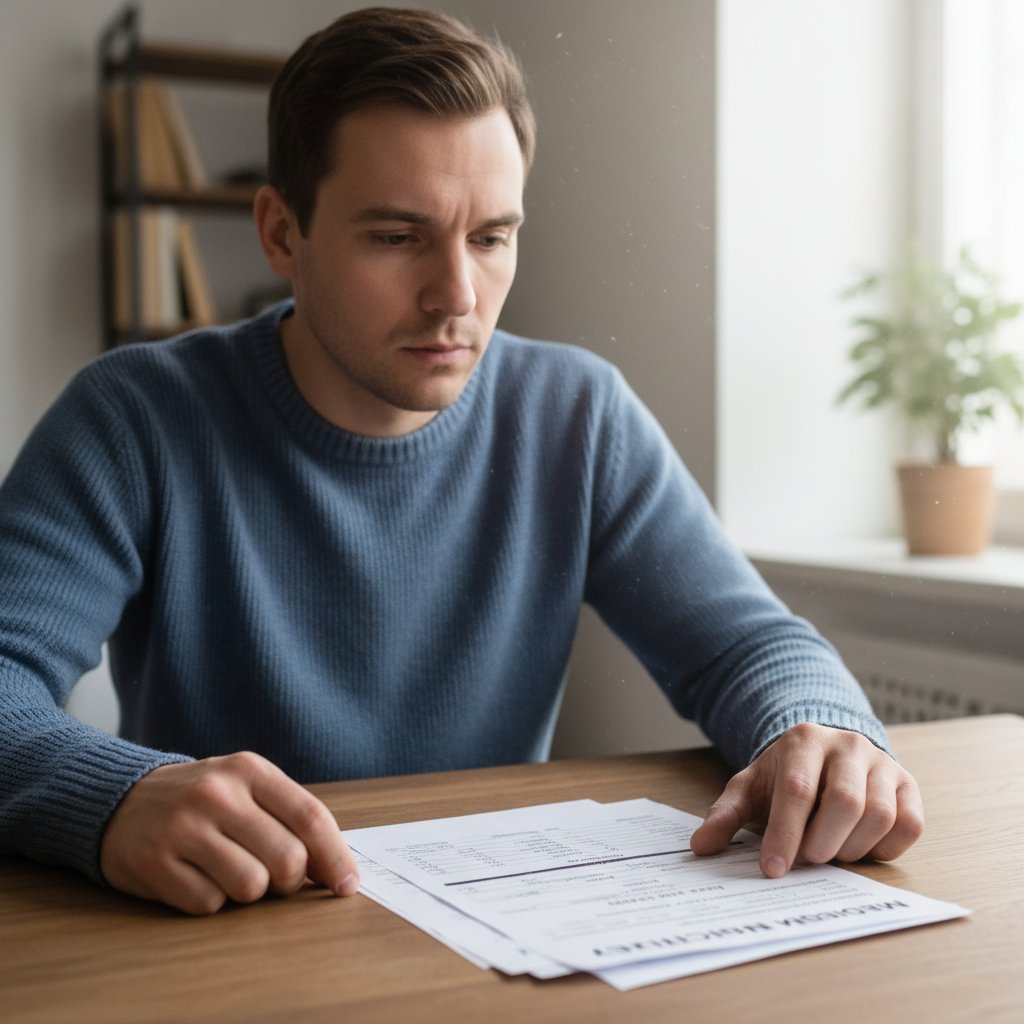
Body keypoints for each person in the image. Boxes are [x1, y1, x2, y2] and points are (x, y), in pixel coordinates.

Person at [0, 6, 923, 916]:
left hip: (498, 929)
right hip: (226, 927)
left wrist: (820, 729)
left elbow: (746, 644)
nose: (457, 296)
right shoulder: (136, 417)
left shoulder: (576, 414)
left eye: (490, 238)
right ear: (281, 233)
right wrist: (113, 795)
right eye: (397, 237)